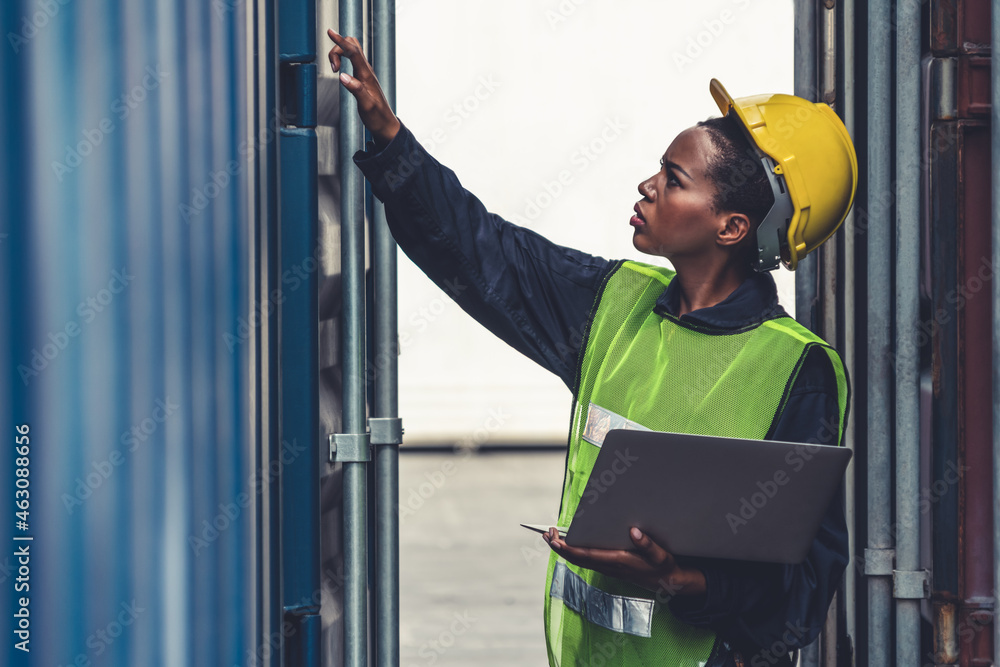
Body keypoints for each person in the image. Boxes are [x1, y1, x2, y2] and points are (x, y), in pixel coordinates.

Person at [327, 27, 857, 667]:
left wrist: (682, 584)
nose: (647, 185)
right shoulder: (613, 301)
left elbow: (801, 593)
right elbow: (479, 249)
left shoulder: (796, 369)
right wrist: (390, 138)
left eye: (674, 178)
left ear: (732, 226)